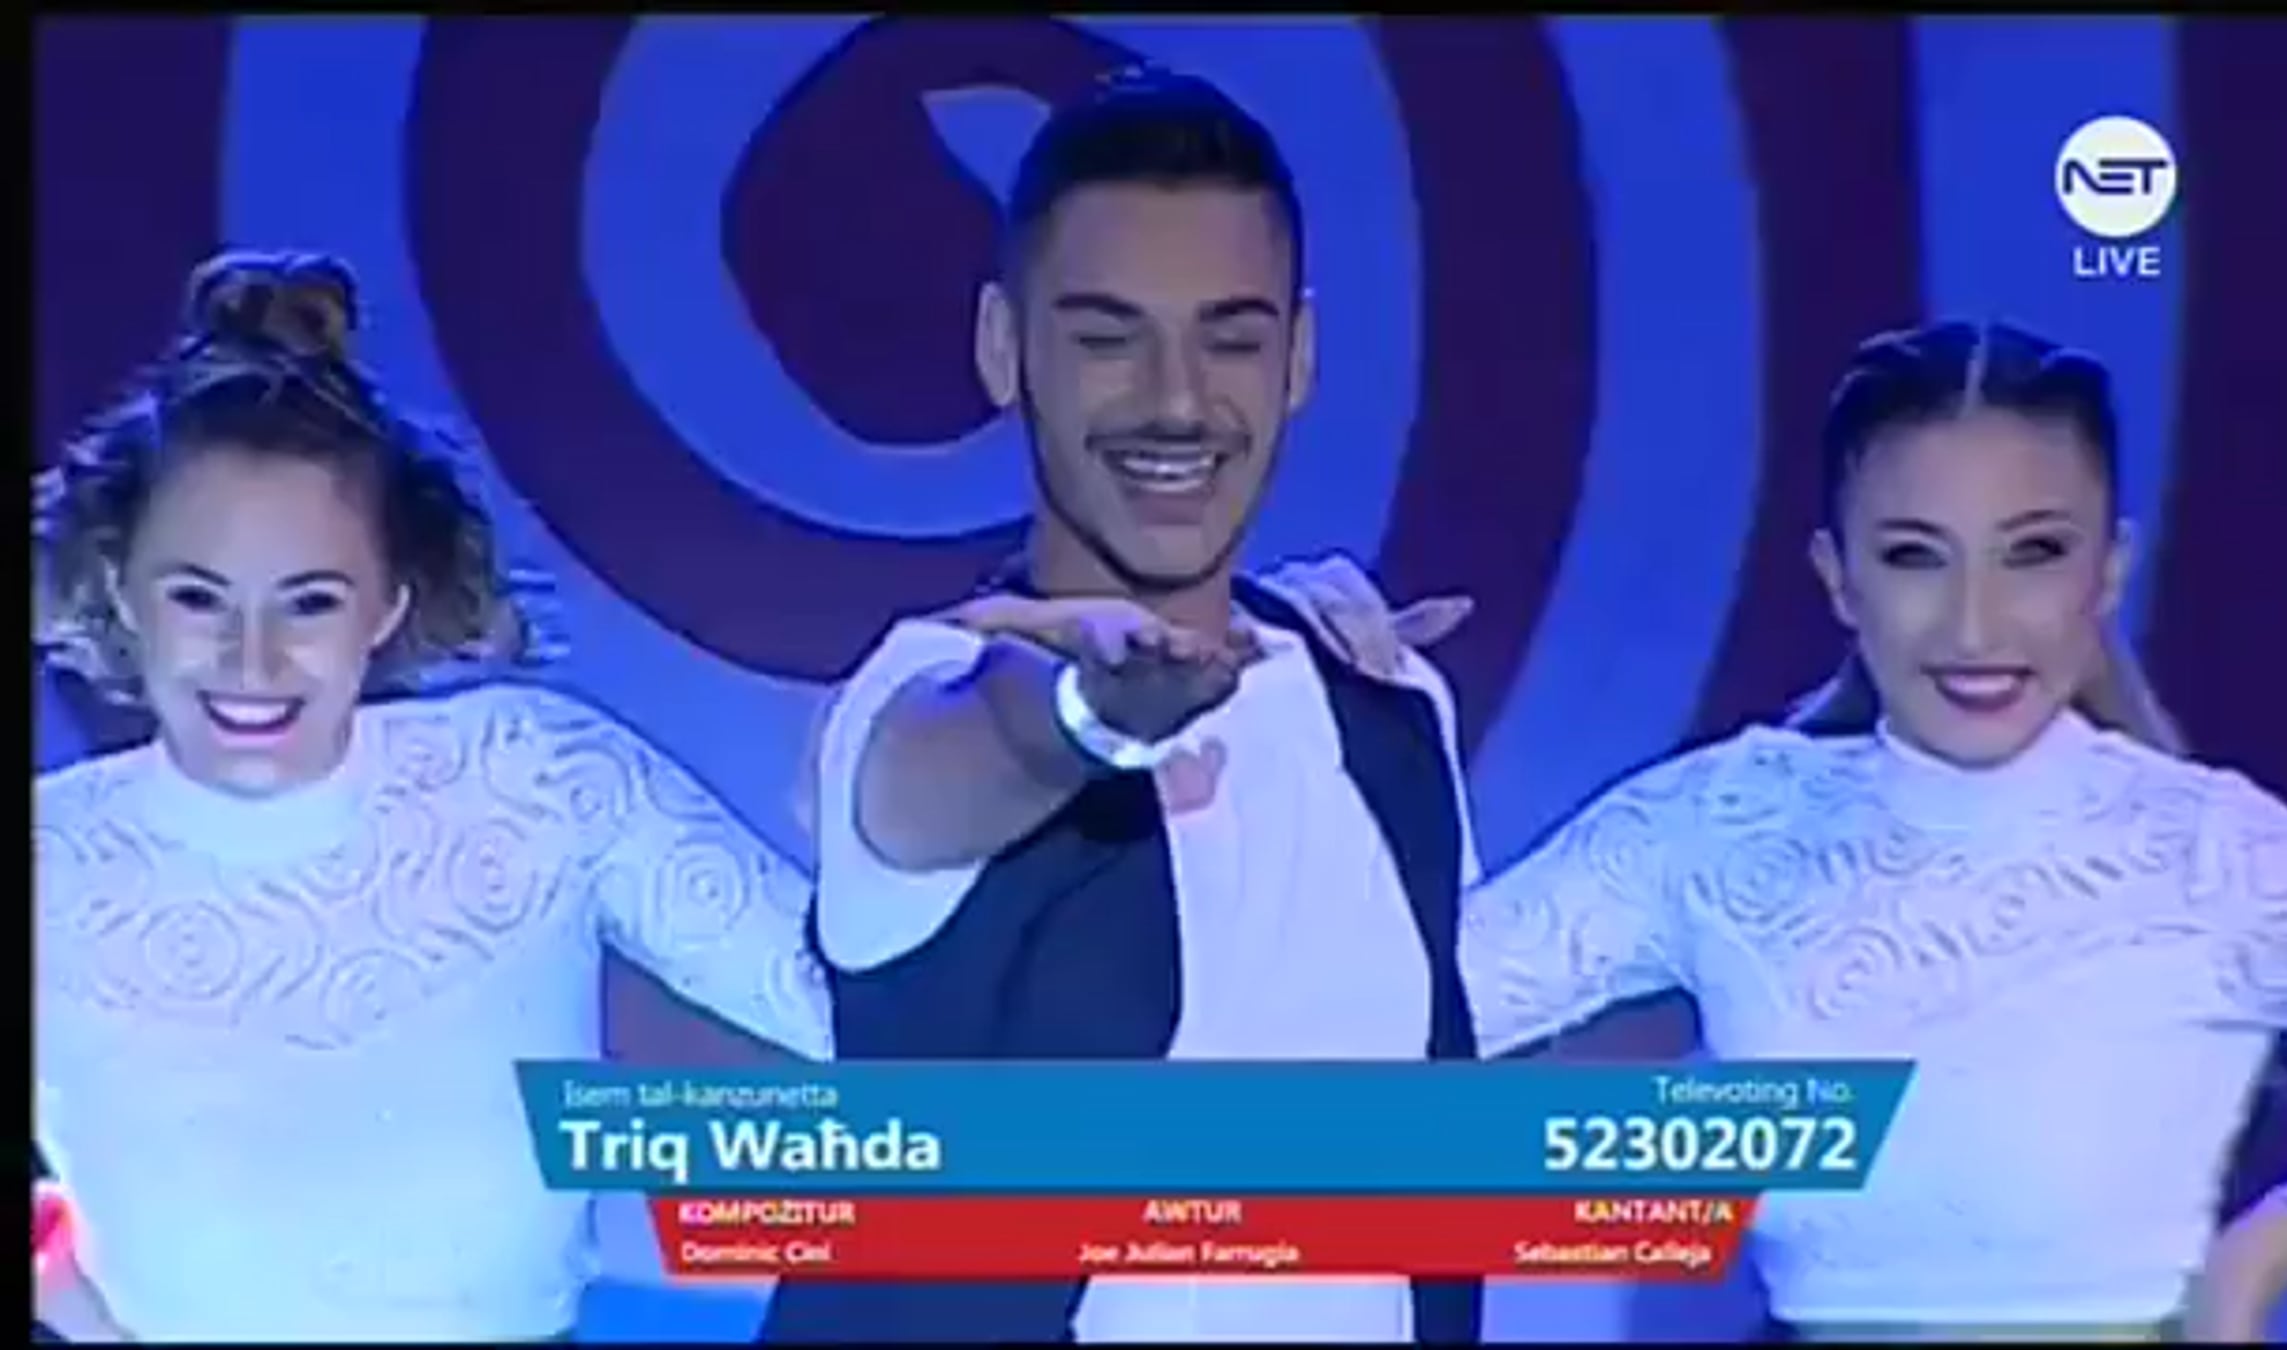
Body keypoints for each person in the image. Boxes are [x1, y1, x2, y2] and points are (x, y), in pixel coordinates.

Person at [1249, 320, 2287, 1341]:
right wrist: (1329, 739)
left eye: (2033, 553)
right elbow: (1356, 1039)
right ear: (1839, 578)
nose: (1974, 625)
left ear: (2109, 570)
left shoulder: (2221, 858)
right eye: (1914, 555)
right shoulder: (1721, 828)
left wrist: (2281, 1244)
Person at [764, 67, 1487, 1345]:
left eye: (1231, 338)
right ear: (1006, 349)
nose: (1176, 401)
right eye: (1108, 338)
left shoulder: (1379, 706)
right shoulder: (924, 691)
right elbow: (985, 746)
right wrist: (1095, 716)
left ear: (1299, 358)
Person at [32, 251, 835, 1342]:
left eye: (310, 603)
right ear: (125, 593)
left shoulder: (536, 781)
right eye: (199, 599)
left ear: (388, 605)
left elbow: (875, 1023)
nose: (252, 659)